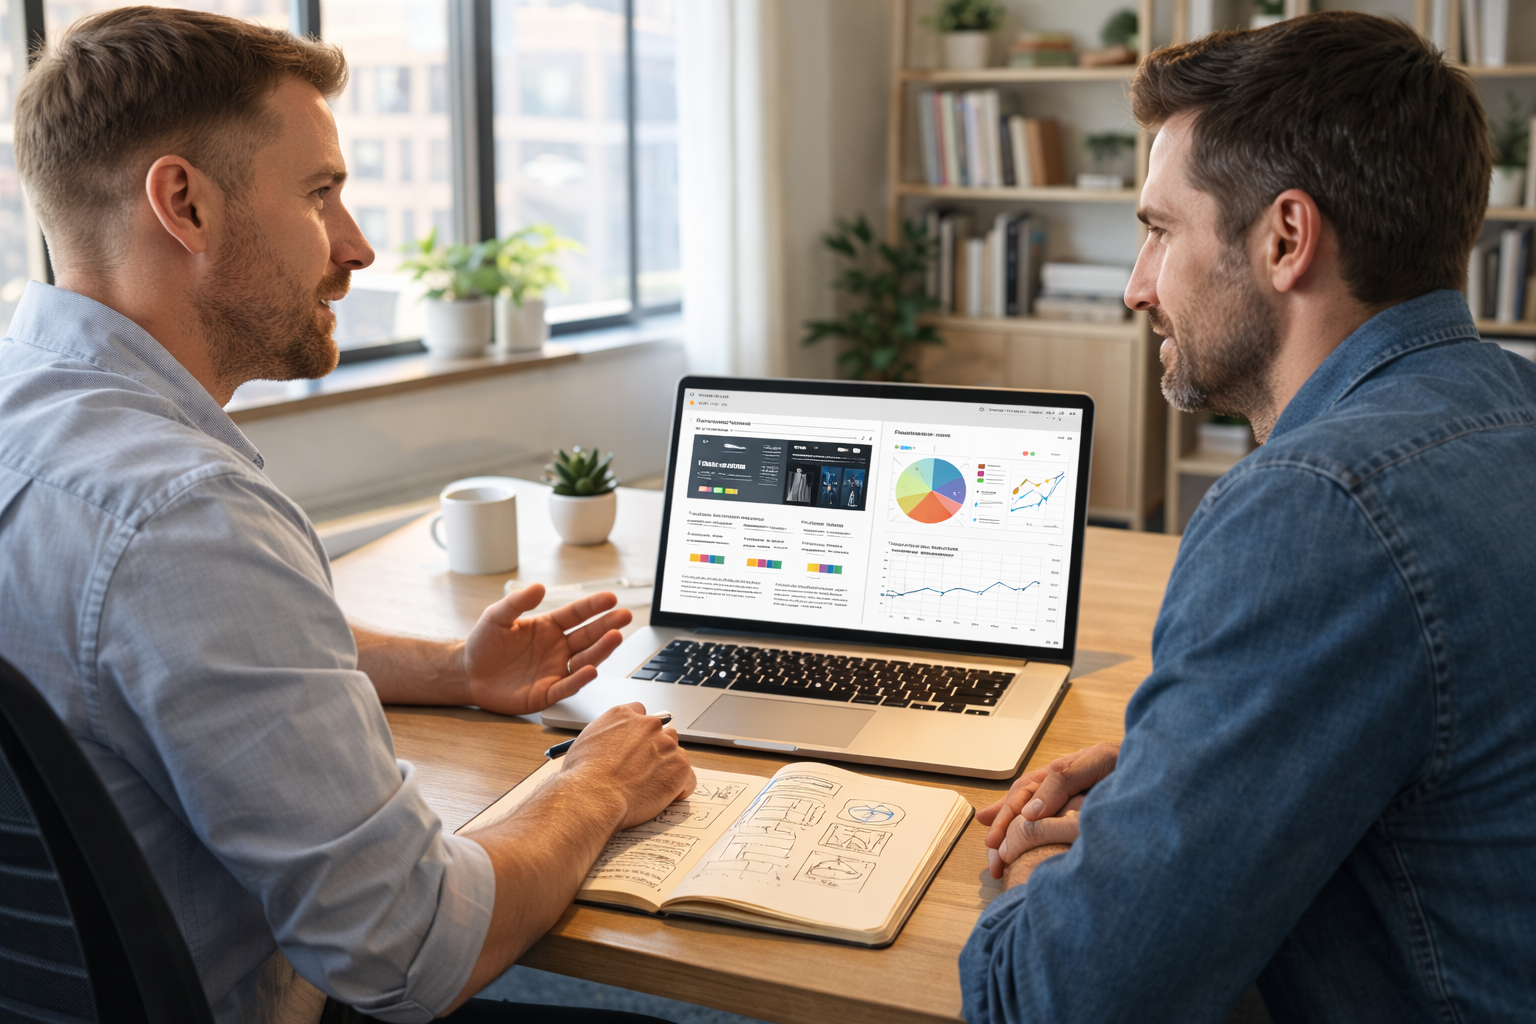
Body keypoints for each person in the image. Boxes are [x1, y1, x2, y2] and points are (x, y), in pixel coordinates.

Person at [0, 8, 695, 1023]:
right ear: (183, 205)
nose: (359, 247)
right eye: (321, 193)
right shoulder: (187, 515)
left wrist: (452, 670)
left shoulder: (39, 426)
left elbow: (172, 652)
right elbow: (410, 948)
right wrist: (595, 781)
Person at [960, 12, 1536, 1023]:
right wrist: (1182, 769)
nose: (1138, 289)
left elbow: (1063, 1000)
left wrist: (1020, 888)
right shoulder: (1512, 410)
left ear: (1284, 238)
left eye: (1157, 231)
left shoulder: (1318, 510)